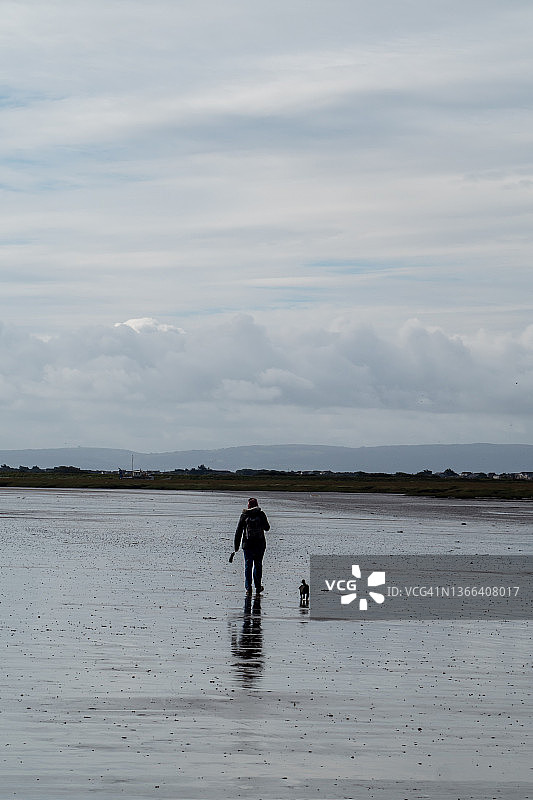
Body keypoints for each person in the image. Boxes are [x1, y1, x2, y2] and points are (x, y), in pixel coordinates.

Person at [234, 498, 270, 595]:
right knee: (258, 565)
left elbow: (238, 532)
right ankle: (258, 587)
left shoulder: (244, 515)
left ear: (248, 505)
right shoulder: (261, 514)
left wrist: (236, 546)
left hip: (247, 545)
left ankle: (248, 588)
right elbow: (267, 528)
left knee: (248, 565)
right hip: (260, 544)